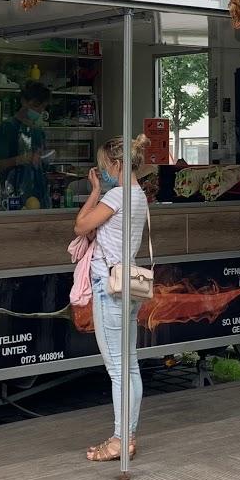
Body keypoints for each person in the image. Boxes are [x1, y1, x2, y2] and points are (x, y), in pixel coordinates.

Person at [73, 134, 149, 462]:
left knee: (118, 369)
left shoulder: (117, 195)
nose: (103, 172)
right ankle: (127, 435)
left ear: (117, 165)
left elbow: (80, 226)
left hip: (109, 287)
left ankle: (121, 439)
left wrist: (93, 192)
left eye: (105, 167)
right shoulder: (140, 195)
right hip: (129, 286)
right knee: (130, 367)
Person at [0, 81, 52, 208]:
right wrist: (20, 160)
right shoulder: (8, 128)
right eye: (36, 105)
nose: (39, 111)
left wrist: (44, 159)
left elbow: (41, 168)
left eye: (43, 107)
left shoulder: (38, 132)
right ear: (23, 101)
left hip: (40, 198)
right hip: (14, 197)